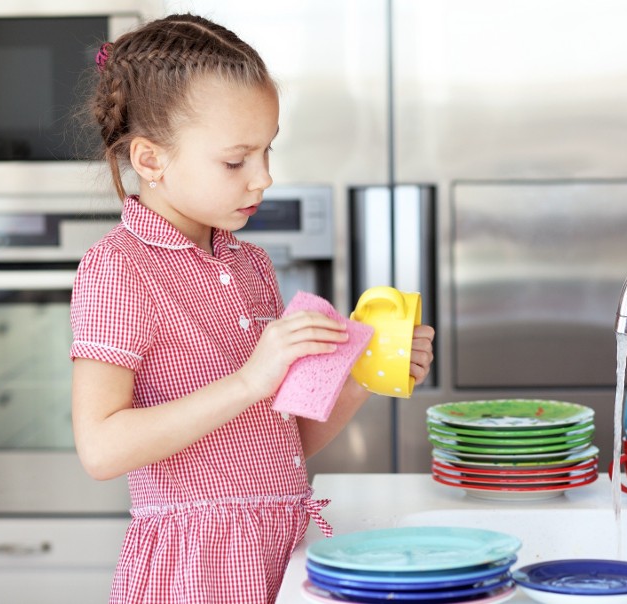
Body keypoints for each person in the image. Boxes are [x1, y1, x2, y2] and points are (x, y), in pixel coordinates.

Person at [70, 13, 435, 604]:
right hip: (196, 571)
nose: (263, 178)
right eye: (236, 161)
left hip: (282, 548)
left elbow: (278, 441)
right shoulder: (119, 270)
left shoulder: (249, 264)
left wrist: (365, 375)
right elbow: (101, 449)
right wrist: (249, 380)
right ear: (151, 160)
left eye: (267, 151)